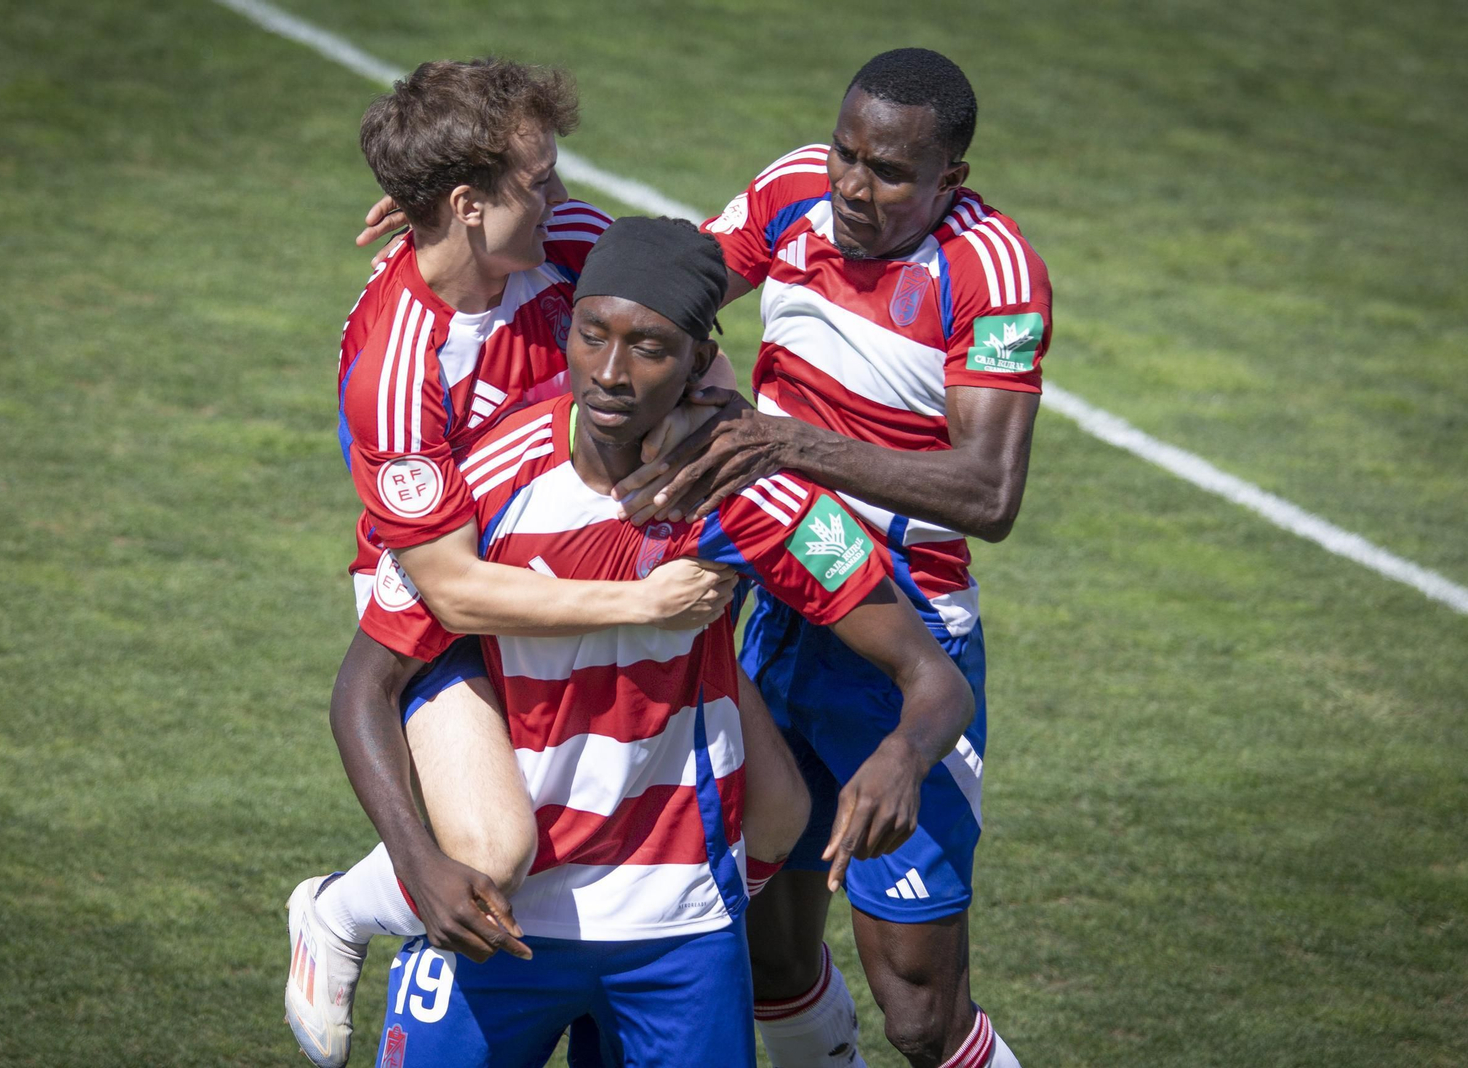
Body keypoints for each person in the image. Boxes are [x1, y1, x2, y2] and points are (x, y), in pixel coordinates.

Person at [341, 216, 975, 1067]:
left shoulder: (749, 497)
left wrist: (903, 753)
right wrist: (418, 861)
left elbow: (933, 677)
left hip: (677, 935)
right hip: (501, 913)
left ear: (697, 356)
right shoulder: (486, 486)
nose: (609, 372)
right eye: (591, 333)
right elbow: (364, 688)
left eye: (648, 347)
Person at [286, 60, 804, 1068]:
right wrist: (644, 602)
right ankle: (340, 913)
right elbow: (450, 587)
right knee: (492, 851)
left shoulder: (561, 242)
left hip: (589, 558)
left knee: (779, 806)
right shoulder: (397, 367)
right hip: (457, 601)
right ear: (470, 208)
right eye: (540, 177)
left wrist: (709, 402)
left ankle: (662, 952)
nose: (564, 195)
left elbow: (686, 317)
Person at [609, 48, 1048, 1068]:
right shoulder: (793, 189)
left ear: (950, 180)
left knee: (919, 1014)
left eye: (890, 172)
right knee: (765, 957)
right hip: (774, 608)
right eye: (848, 154)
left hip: (899, 632)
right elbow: (670, 285)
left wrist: (789, 441)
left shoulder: (990, 273)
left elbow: (987, 492)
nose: (853, 187)